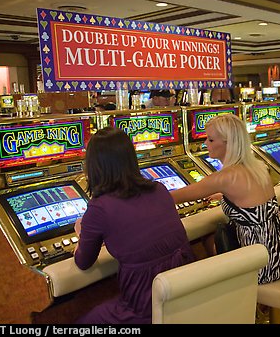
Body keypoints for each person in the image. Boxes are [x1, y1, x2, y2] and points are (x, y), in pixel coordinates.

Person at [73, 127, 194, 324]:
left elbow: (83, 262)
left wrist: (81, 234)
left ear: (94, 166)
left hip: (147, 303)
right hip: (185, 290)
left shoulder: (99, 207)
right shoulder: (159, 188)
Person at [170, 114, 280, 284]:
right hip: (279, 252)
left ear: (229, 143)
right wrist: (223, 196)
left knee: (198, 252)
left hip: (260, 267)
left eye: (211, 140)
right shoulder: (258, 167)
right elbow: (250, 199)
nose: (205, 144)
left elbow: (172, 197)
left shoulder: (226, 177)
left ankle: (225, 304)